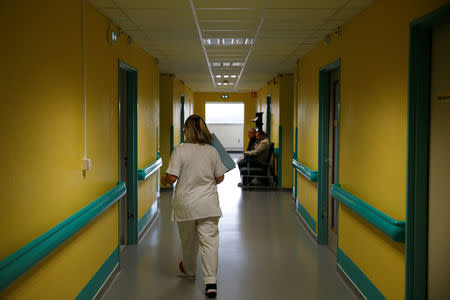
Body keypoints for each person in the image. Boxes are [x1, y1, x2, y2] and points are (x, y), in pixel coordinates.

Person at [161, 114, 227, 299]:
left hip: (186, 205)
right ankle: (211, 284)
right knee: (210, 243)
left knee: (188, 242)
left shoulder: (180, 150)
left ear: (186, 131)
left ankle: (190, 272)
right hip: (208, 204)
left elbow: (172, 178)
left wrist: (164, 179)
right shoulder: (212, 151)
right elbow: (220, 177)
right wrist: (207, 178)